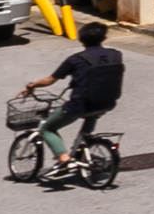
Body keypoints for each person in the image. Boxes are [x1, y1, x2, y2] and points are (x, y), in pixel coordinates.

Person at [28, 20, 124, 180]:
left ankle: (63, 159)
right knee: (90, 118)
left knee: (47, 128)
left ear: (81, 40)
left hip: (80, 105)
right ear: (103, 38)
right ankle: (83, 147)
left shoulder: (75, 59)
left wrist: (31, 86)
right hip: (107, 103)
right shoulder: (116, 54)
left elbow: (50, 80)